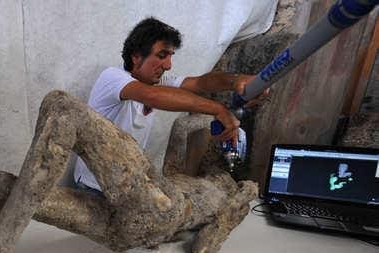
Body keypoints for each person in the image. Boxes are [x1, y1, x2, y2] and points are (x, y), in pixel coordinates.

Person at [74, 17, 263, 194]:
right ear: (136, 56)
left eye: (170, 56)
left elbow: (200, 83)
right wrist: (218, 109)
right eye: (162, 55)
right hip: (94, 186)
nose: (168, 65)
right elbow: (152, 96)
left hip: (125, 185)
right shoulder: (113, 77)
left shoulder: (157, 82)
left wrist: (237, 80)